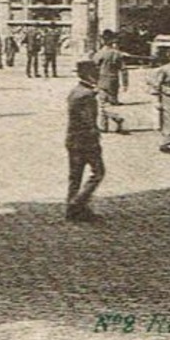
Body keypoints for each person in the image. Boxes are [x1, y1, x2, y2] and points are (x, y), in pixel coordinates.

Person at [65, 59, 105, 222]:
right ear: (90, 74)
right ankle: (77, 203)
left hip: (71, 138)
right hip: (86, 140)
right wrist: (95, 136)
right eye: (96, 72)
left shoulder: (75, 91)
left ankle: (71, 210)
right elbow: (89, 120)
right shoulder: (88, 95)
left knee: (75, 176)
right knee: (98, 172)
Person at [93, 30, 127, 134]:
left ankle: (105, 126)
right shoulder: (117, 54)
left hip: (102, 80)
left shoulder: (100, 53)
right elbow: (124, 70)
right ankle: (116, 119)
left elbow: (93, 66)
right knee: (112, 102)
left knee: (102, 104)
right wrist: (125, 83)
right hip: (114, 80)